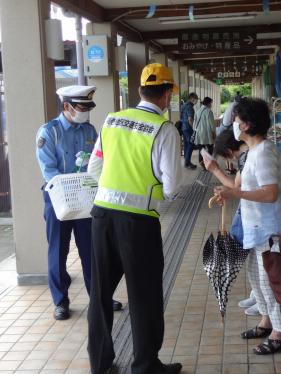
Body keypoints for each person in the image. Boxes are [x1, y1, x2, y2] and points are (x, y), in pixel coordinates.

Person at [86, 63, 182, 374]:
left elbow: (94, 169)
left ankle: (100, 363)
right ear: (166, 95)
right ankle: (145, 365)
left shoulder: (111, 120)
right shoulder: (164, 130)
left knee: (100, 293)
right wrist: (148, 195)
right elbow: (172, 187)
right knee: (144, 295)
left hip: (101, 216)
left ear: (140, 91)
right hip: (138, 223)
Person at [214, 98, 281, 355]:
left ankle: (279, 332)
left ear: (248, 124)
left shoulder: (263, 153)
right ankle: (266, 320)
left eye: (237, 121)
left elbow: (270, 193)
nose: (233, 126)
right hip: (258, 229)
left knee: (267, 281)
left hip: (273, 230)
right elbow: (243, 187)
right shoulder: (252, 151)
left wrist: (235, 195)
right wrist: (230, 191)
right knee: (254, 274)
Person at [35, 85, 122, 321]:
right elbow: (49, 170)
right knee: (58, 251)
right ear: (67, 107)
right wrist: (70, 187)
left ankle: (99, 296)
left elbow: (96, 163)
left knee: (91, 250)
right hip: (57, 200)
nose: (85, 112)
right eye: (81, 108)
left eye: (87, 108)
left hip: (84, 199)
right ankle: (60, 300)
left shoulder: (90, 131)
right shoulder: (49, 132)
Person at [204, 130, 260, 316]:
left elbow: (236, 187)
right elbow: (236, 186)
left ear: (229, 150)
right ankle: (258, 295)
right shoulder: (249, 154)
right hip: (252, 211)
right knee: (252, 258)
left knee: (252, 259)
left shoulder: (247, 157)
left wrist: (214, 169)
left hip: (254, 214)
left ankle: (262, 302)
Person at [193, 97, 216, 169]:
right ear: (208, 103)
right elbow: (212, 125)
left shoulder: (198, 110)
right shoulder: (209, 111)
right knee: (210, 148)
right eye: (211, 103)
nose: (211, 105)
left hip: (199, 133)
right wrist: (214, 133)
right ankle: (208, 163)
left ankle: (201, 162)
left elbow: (194, 124)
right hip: (207, 134)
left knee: (201, 149)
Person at [180, 92, 199, 169]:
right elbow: (190, 119)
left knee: (186, 144)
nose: (196, 100)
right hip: (188, 128)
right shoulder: (190, 107)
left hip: (183, 128)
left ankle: (186, 161)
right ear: (191, 98)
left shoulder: (184, 105)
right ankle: (187, 162)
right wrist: (194, 128)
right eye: (195, 99)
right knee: (190, 145)